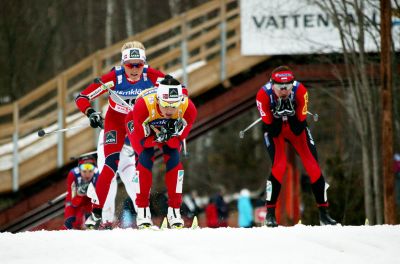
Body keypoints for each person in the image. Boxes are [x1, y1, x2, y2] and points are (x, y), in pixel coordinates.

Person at [75, 41, 165, 229]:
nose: (133, 70)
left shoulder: (152, 76)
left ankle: (144, 217)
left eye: (138, 65)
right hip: (115, 127)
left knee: (139, 174)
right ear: (123, 64)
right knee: (108, 170)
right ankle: (99, 216)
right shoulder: (114, 78)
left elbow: (179, 92)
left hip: (133, 133)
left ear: (144, 64)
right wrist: (91, 113)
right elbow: (82, 97)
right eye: (129, 65)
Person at [255, 65, 337, 227]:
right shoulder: (263, 95)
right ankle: (270, 214)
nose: (284, 90)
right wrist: (277, 114)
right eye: (279, 87)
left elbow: (299, 126)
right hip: (275, 130)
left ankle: (324, 214)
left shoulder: (300, 91)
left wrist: (291, 113)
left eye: (288, 86)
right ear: (272, 85)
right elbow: (271, 128)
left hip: (294, 129)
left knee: (313, 167)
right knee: (279, 166)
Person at [126, 75, 197, 228]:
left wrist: (169, 135)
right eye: (166, 105)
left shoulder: (188, 109)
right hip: (141, 124)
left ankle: (174, 211)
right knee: (146, 156)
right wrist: (161, 135)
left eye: (174, 105)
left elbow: (176, 143)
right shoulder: (143, 106)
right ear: (158, 100)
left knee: (174, 159)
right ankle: (143, 211)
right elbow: (144, 141)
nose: (170, 110)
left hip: (162, 131)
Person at [96, 130, 137, 229]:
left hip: (126, 147)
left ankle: (144, 216)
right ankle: (106, 220)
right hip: (109, 140)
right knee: (108, 180)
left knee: (133, 180)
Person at [63, 156, 99, 229]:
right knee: (69, 221)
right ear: (79, 170)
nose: (87, 175)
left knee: (91, 224)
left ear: (94, 170)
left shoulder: (98, 174)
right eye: (84, 171)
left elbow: (99, 199)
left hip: (90, 200)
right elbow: (72, 200)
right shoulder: (73, 174)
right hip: (76, 197)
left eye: (90, 171)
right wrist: (79, 195)